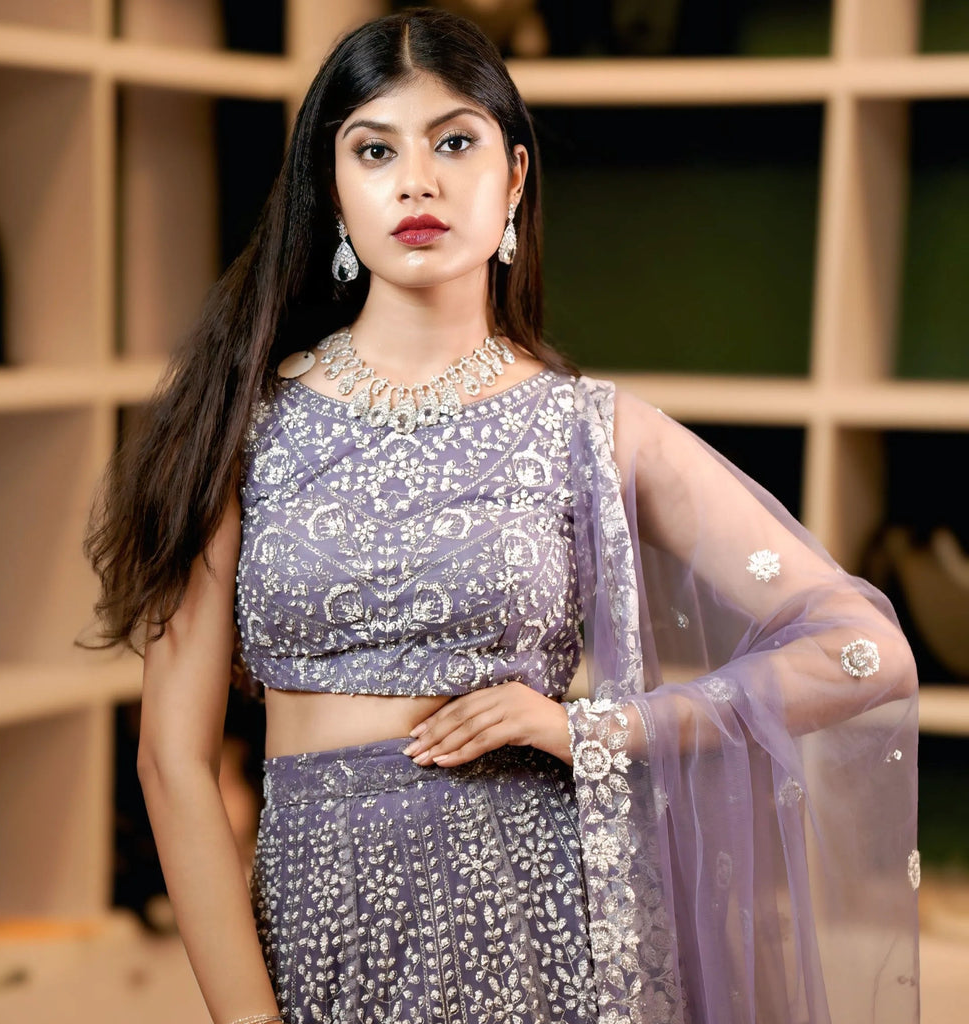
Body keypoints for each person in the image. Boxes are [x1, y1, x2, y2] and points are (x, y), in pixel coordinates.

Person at [83, 8, 920, 1023]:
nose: (416, 181)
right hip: (319, 933)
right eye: (374, 149)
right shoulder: (238, 424)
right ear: (332, 185)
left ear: (514, 178)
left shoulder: (590, 430)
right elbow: (172, 760)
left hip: (537, 932)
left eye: (454, 142)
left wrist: (604, 727)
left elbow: (866, 651)